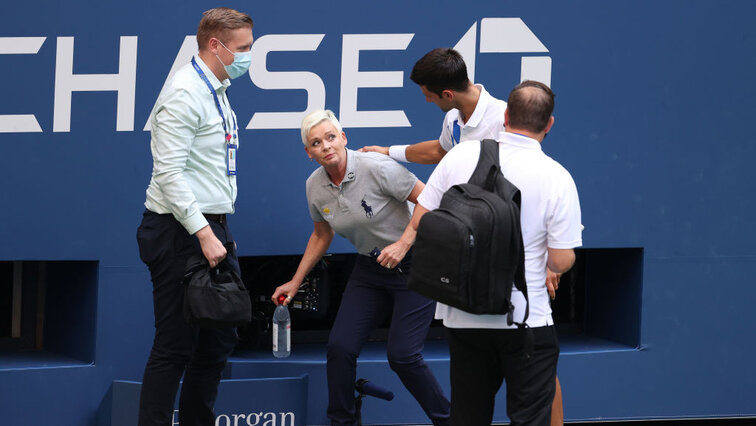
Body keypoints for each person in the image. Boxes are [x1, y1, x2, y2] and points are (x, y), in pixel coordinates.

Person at [361, 47, 565, 424]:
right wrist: (388, 151)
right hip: (471, 264)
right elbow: (440, 152)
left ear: (447, 94)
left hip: (513, 264)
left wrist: (547, 266)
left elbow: (536, 193)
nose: (424, 98)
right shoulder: (455, 119)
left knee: (538, 375)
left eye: (426, 92)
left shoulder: (507, 121)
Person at [272, 109, 451, 426]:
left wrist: (404, 243)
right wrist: (295, 281)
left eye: (330, 137)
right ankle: (342, 421)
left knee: (403, 356)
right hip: (371, 268)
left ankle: (449, 421)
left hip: (417, 262)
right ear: (309, 153)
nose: (326, 146)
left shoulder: (376, 167)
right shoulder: (314, 186)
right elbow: (321, 234)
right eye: (316, 143)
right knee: (340, 347)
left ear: (343, 138)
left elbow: (430, 200)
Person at [135, 8, 253, 426]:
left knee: (218, 340)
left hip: (213, 227)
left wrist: (212, 231)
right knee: (174, 345)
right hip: (180, 231)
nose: (248, 58)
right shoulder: (184, 93)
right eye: (243, 49)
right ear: (215, 46)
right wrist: (203, 233)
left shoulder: (216, 89)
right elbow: (169, 173)